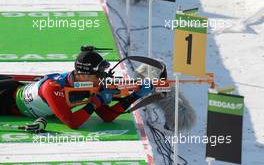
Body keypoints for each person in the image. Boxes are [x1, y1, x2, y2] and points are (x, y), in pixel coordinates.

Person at [0, 46, 153, 129]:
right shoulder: (53, 88)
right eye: (99, 74)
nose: (102, 78)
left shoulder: (90, 84)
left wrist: (135, 96)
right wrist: (95, 102)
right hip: (5, 100)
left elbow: (107, 116)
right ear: (84, 75)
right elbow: (72, 123)